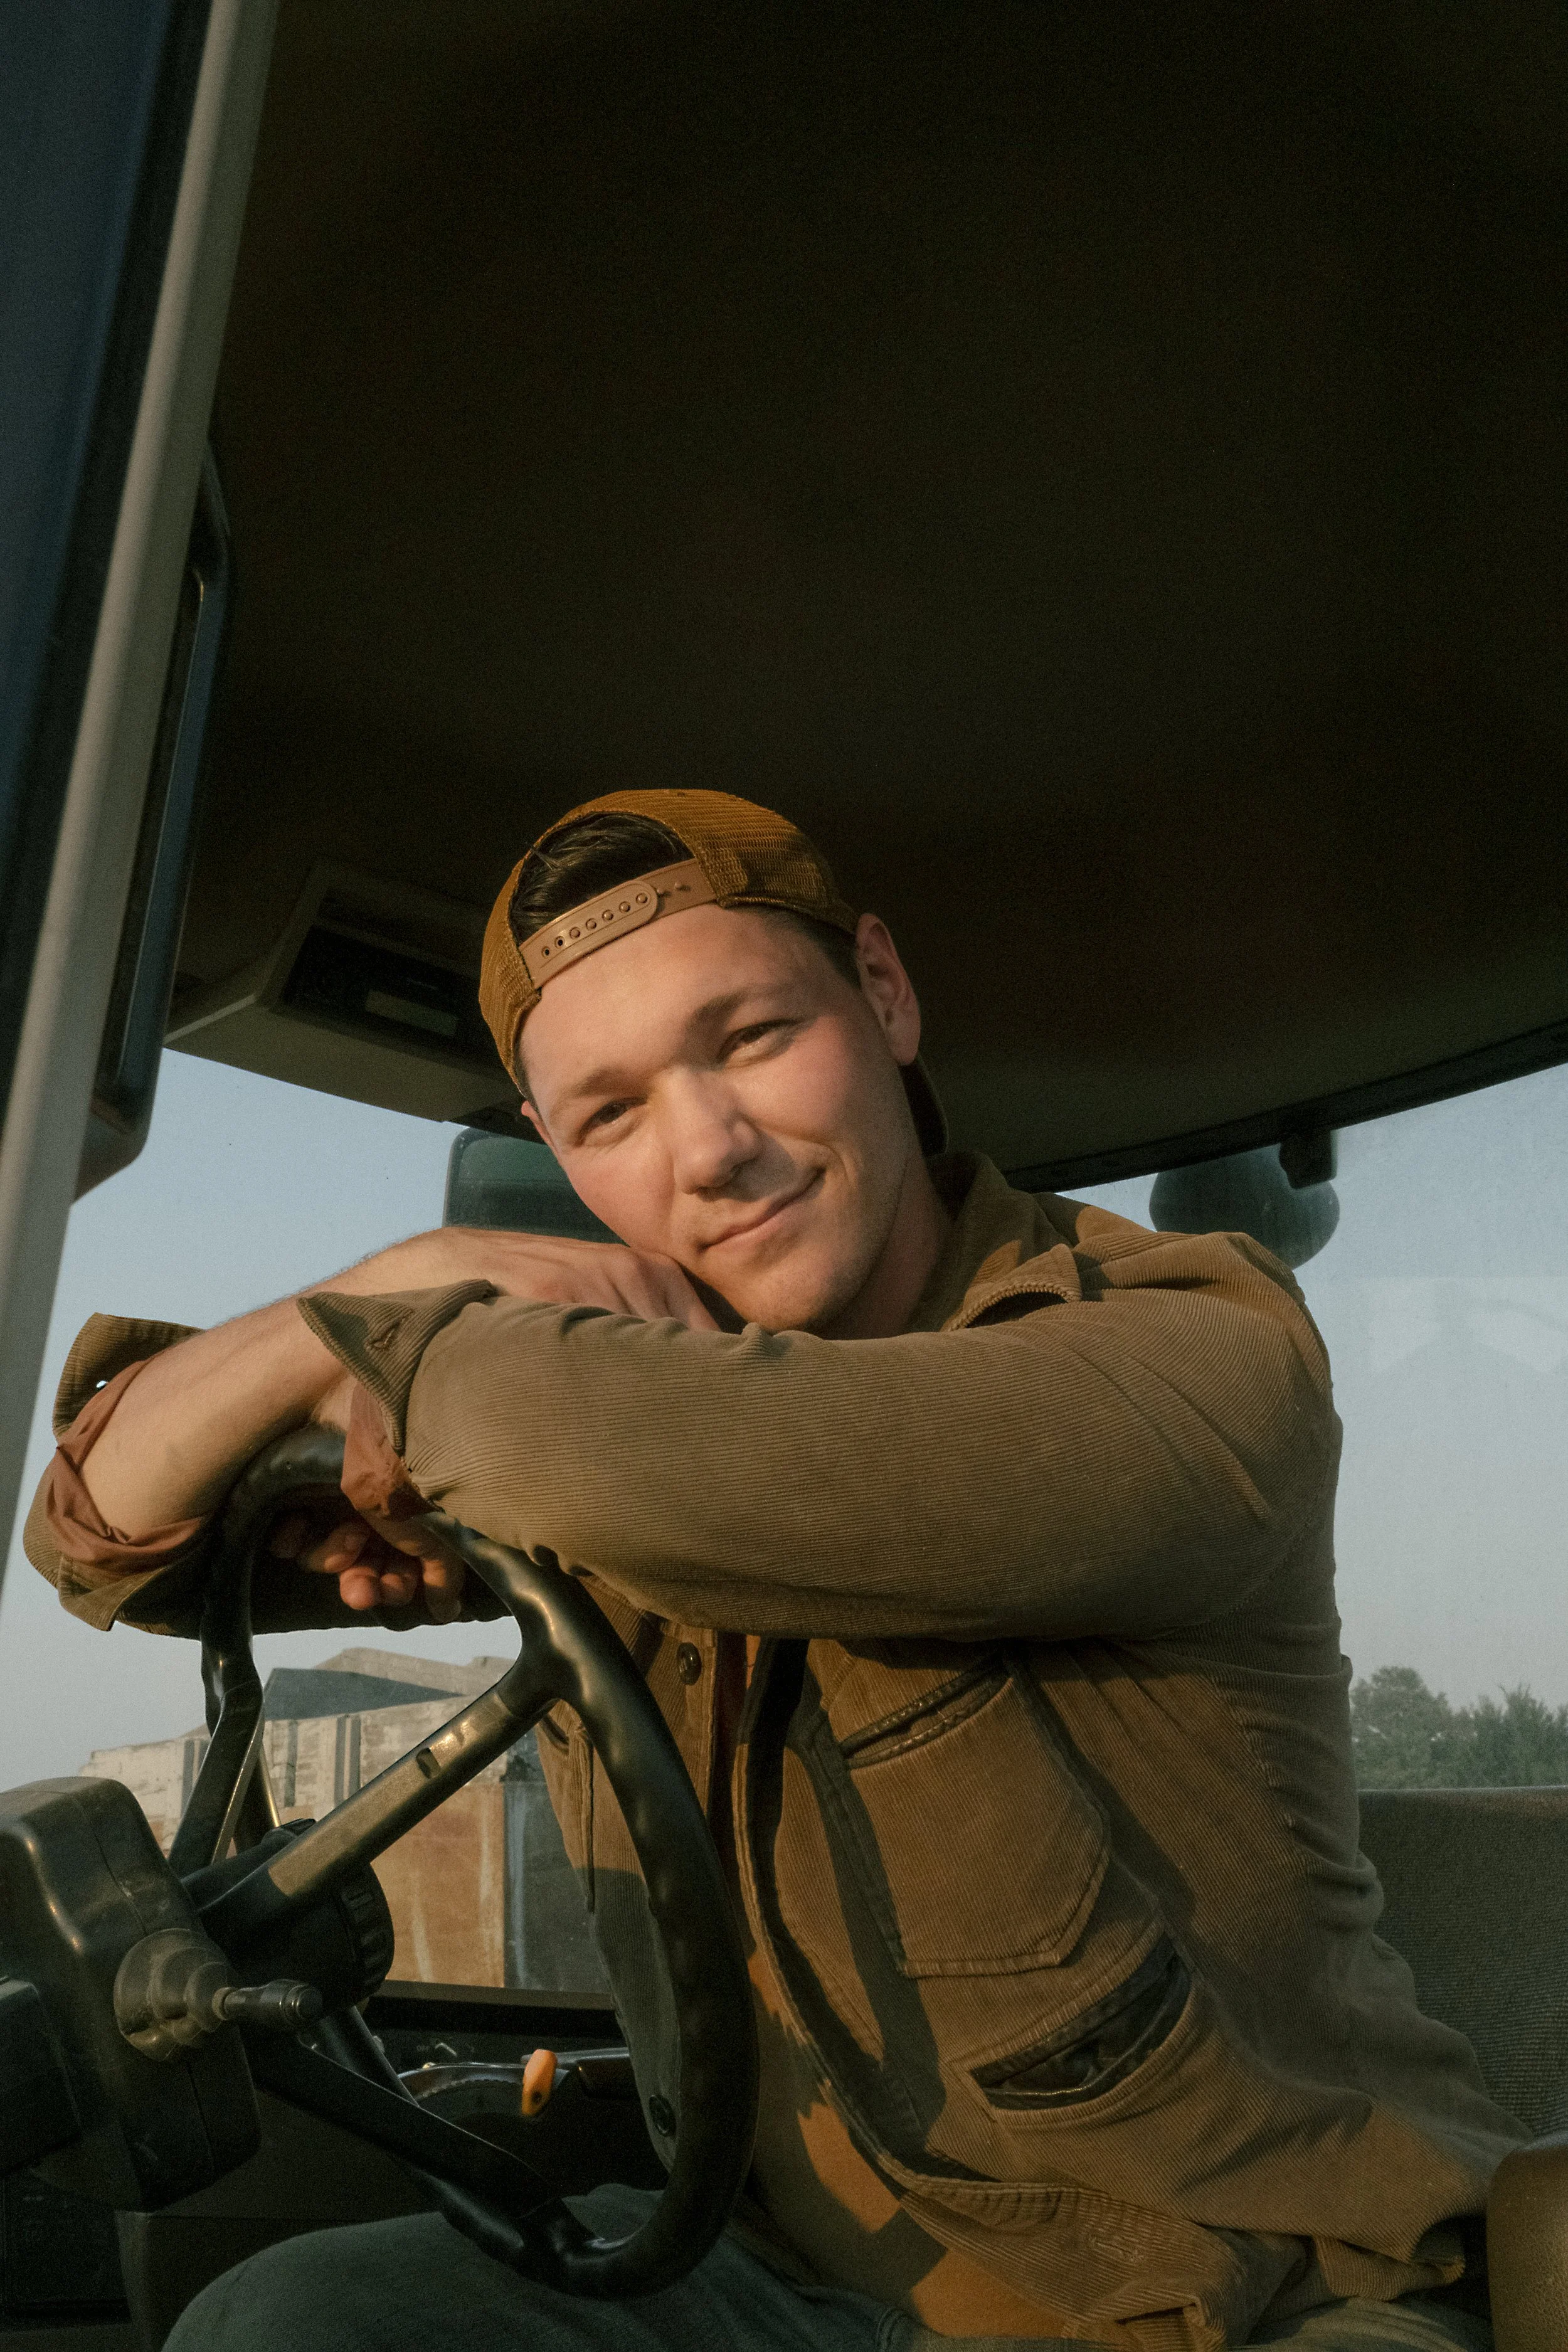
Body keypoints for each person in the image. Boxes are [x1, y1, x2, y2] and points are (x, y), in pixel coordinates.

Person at [25, 790, 1517, 2351]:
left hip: (1256, 2300)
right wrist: (393, 1285)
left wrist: (420, 1330)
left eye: (747, 1038)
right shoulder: (589, 1421)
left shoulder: (1196, 1353)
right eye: (609, 1117)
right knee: (296, 2321)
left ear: (880, 991)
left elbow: (752, 1460)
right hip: (773, 2286)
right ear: (550, 1152)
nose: (712, 1154)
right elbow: (99, 1528)